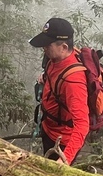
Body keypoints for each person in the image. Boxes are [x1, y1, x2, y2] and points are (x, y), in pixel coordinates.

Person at [29, 18, 89, 164]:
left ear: (63, 47)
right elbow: (56, 74)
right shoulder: (56, 58)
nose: (44, 48)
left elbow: (82, 124)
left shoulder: (74, 81)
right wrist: (45, 77)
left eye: (47, 45)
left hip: (61, 141)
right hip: (48, 129)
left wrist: (65, 158)